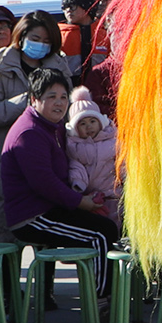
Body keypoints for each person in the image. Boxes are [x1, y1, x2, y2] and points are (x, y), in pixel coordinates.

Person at [2, 67, 116, 260]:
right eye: (52, 96)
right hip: (33, 216)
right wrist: (81, 202)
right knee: (101, 233)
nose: (59, 103)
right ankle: (101, 290)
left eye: (64, 97)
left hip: (52, 208)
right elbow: (44, 183)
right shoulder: (29, 133)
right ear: (34, 100)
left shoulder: (53, 128)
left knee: (107, 224)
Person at [0, 10, 68, 153]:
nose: (40, 45)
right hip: (7, 151)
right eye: (35, 39)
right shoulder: (1, 67)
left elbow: (67, 109)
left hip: (50, 149)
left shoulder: (59, 67)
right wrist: (30, 100)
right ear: (21, 36)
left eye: (46, 41)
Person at [63, 86, 121, 228]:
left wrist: (124, 177)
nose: (88, 126)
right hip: (92, 197)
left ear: (101, 122)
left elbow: (121, 161)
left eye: (92, 121)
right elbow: (76, 166)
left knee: (118, 221)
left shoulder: (112, 141)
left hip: (114, 193)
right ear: (75, 129)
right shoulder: (75, 148)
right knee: (100, 225)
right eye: (82, 124)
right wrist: (78, 183)